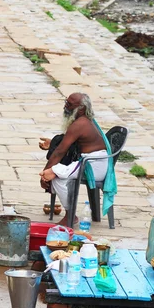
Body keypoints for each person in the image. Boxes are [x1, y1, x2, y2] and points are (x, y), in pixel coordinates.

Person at [39, 93, 116, 226]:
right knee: (56, 172)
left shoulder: (80, 124)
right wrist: (52, 144)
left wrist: (44, 174)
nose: (65, 107)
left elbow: (60, 151)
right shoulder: (84, 121)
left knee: (56, 175)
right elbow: (69, 145)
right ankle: (70, 213)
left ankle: (71, 215)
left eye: (69, 105)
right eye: (66, 102)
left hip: (94, 166)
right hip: (91, 163)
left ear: (81, 108)